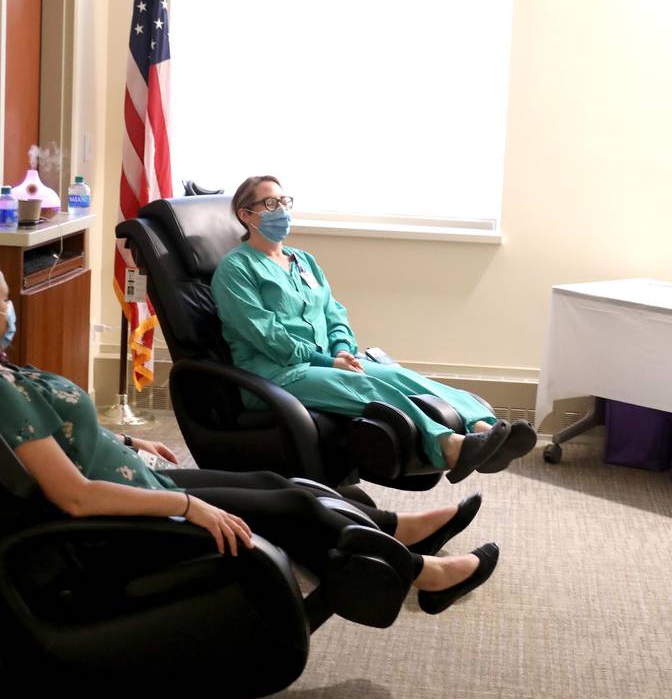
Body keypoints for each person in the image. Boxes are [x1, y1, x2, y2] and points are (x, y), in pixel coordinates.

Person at [0, 247, 499, 622]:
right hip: (118, 520)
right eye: (4, 300)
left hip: (135, 477)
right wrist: (188, 505)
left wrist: (129, 443)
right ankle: (424, 576)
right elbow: (73, 495)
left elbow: (64, 437)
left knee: (280, 482)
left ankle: (398, 530)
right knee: (291, 502)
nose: (11, 307)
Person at [211, 176, 539, 483]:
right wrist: (328, 363)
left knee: (400, 376)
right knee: (368, 388)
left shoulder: (303, 260)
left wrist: (341, 348)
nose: (281, 211)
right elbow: (266, 335)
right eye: (270, 204)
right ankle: (450, 446)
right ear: (246, 214)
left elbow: (333, 310)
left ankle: (482, 427)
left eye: (285, 202)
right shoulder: (235, 269)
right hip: (276, 374)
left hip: (327, 361)